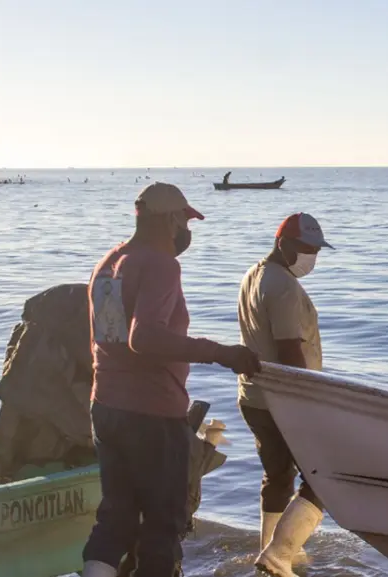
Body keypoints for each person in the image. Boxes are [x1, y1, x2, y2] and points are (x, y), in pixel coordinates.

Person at [81, 182, 262, 577]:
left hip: (106, 407)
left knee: (116, 517)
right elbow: (143, 338)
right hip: (151, 414)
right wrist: (222, 353)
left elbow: (113, 340)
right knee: (163, 525)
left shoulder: (109, 262)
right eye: (184, 219)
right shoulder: (161, 264)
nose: (186, 230)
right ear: (167, 219)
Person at [237, 212, 333, 577]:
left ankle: (270, 550)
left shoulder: (254, 274)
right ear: (284, 245)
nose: (312, 256)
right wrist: (309, 403)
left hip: (254, 397)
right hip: (284, 400)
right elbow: (289, 350)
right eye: (306, 248)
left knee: (277, 476)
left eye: (317, 250)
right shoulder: (282, 286)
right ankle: (280, 554)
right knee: (324, 477)